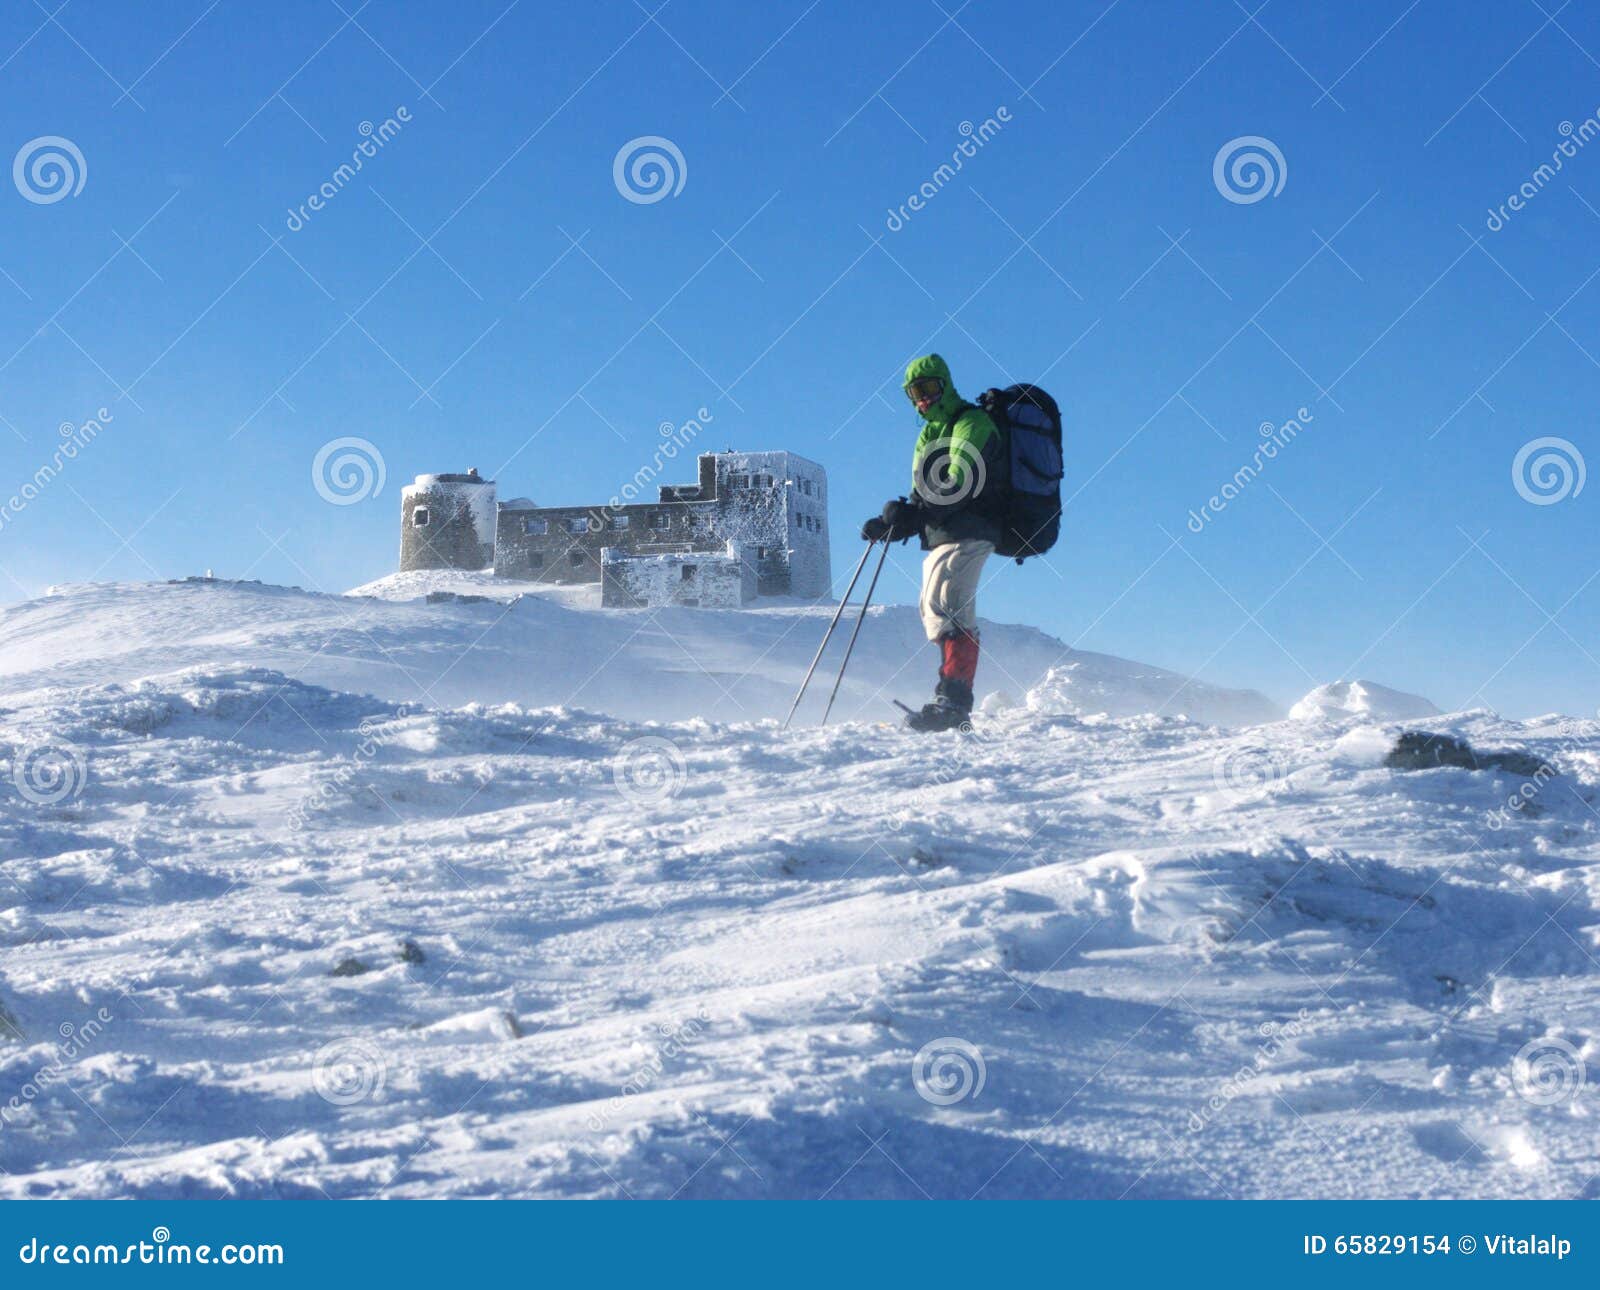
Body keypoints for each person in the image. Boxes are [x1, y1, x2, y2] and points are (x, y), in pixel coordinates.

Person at [861, 353, 1008, 732]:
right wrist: (894, 523)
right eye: (914, 393)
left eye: (929, 388)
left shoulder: (971, 422)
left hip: (974, 528)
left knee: (951, 605)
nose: (922, 398)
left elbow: (961, 479)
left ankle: (955, 703)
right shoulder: (929, 433)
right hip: (943, 534)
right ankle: (948, 696)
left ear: (945, 384)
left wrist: (914, 513)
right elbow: (925, 495)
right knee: (934, 611)